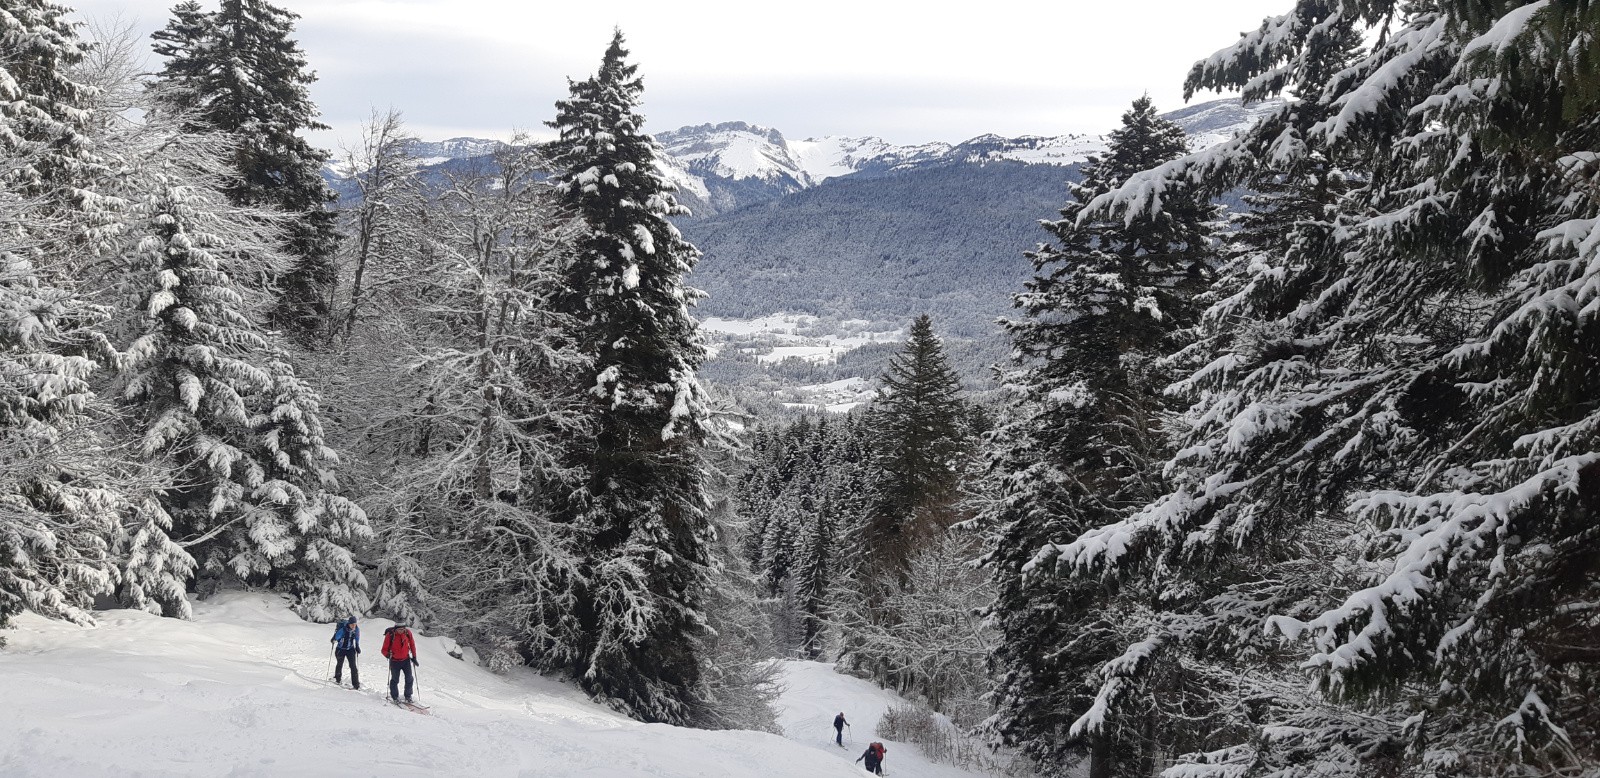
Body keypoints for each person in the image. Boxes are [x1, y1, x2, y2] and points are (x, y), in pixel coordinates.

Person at [381, 622, 419, 703]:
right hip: (394, 661)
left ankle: (408, 696)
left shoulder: (408, 633)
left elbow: (412, 644)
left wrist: (414, 657)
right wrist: (388, 655)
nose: (401, 631)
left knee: (409, 679)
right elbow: (383, 650)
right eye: (399, 629)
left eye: (402, 629)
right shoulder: (390, 635)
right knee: (395, 680)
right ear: (396, 629)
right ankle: (395, 697)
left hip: (406, 660)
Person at [330, 616, 361, 689]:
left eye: (355, 624)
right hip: (341, 649)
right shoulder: (343, 630)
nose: (354, 626)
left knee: (353, 667)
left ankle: (356, 685)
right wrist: (333, 639)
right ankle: (337, 679)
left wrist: (357, 646)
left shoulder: (356, 630)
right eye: (352, 624)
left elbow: (357, 638)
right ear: (349, 624)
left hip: (350, 649)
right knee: (339, 664)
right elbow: (336, 637)